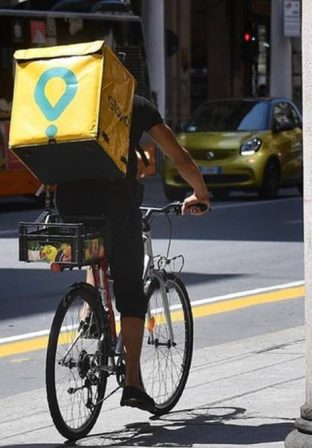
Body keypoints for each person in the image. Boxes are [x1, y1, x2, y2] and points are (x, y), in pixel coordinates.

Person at [55, 94, 210, 412]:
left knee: (95, 247)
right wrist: (200, 192)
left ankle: (90, 312)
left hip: (69, 202)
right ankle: (133, 383)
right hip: (115, 205)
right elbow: (178, 157)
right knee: (130, 292)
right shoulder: (133, 103)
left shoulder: (71, 96)